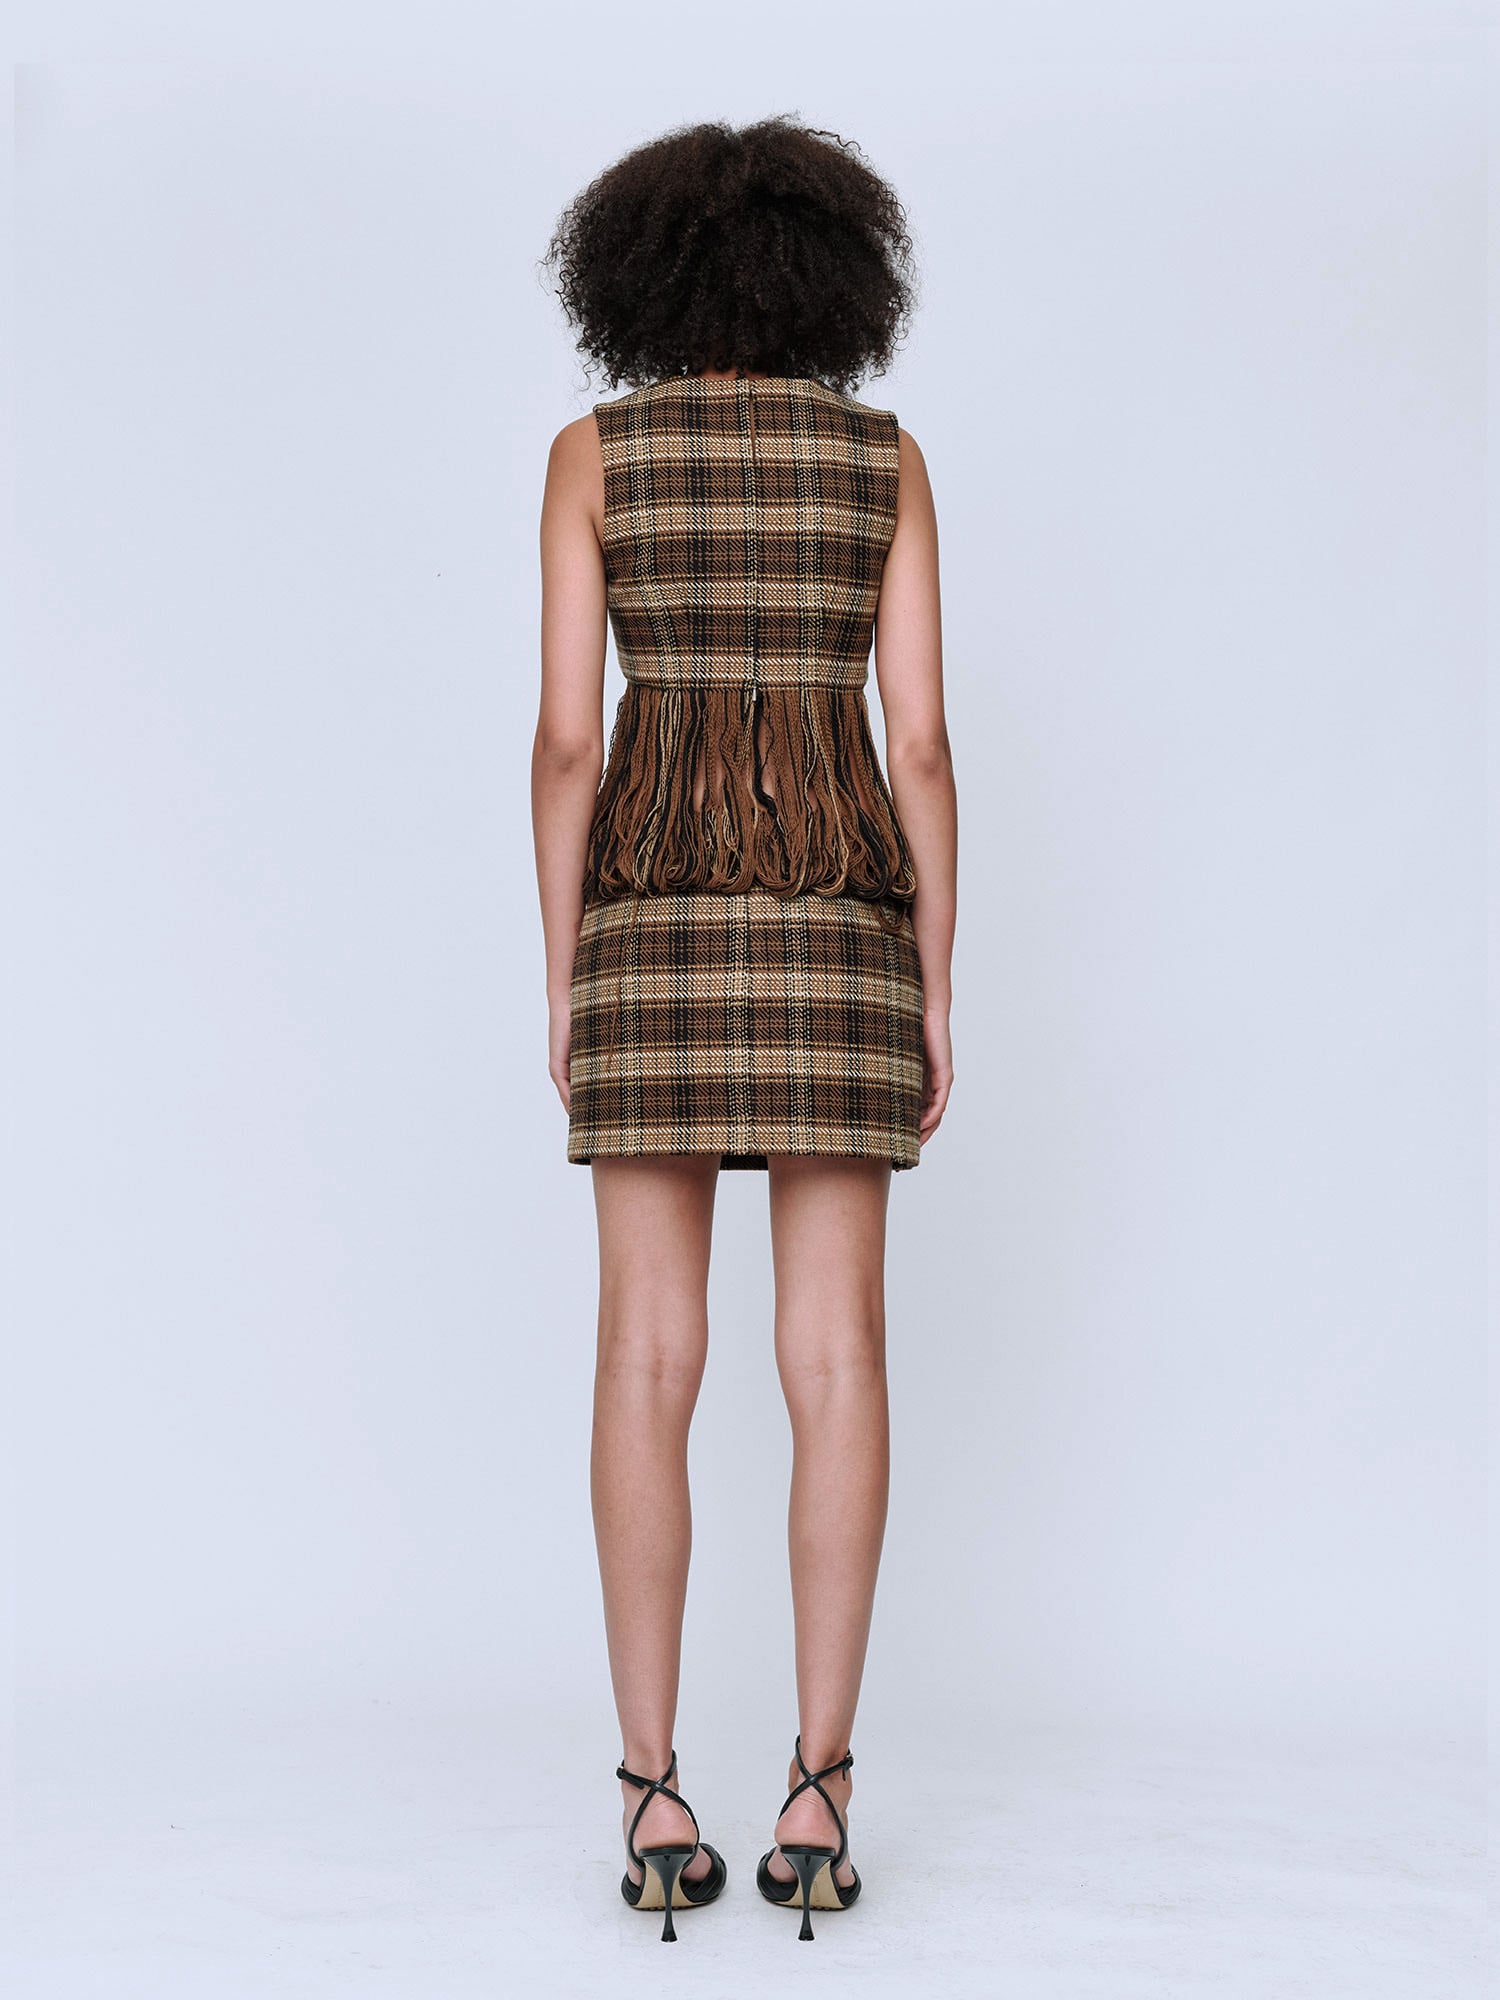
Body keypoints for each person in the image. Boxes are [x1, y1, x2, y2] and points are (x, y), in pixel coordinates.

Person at [532, 114, 957, 1943]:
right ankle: (819, 1797)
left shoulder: (595, 457)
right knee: (836, 1360)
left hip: (648, 925)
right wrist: (936, 977)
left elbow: (568, 740)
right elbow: (919, 740)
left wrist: (566, 971)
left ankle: (652, 1798)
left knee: (647, 1358)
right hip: (841, 928)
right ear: (829, 281)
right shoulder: (884, 463)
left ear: (639, 280)